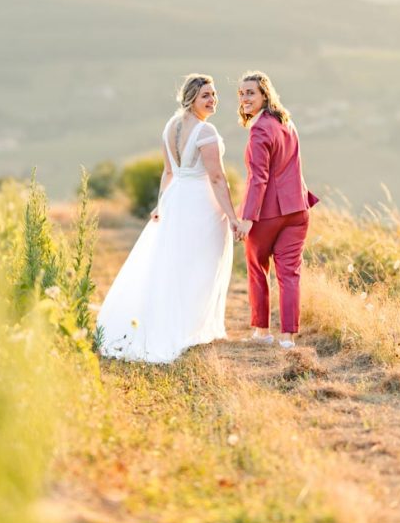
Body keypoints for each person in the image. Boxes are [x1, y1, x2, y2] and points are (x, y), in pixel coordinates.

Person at [97, 74, 240, 363]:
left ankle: (179, 324)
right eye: (206, 96)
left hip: (176, 201)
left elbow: (169, 173)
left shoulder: (169, 127)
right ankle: (189, 328)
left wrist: (161, 203)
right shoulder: (205, 131)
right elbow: (216, 177)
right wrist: (232, 216)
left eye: (214, 94)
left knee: (173, 262)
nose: (213, 100)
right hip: (201, 205)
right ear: (191, 99)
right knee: (201, 264)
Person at [237, 71, 319, 349]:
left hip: (268, 213)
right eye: (242, 93)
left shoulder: (260, 129)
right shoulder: (287, 123)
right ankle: (288, 338)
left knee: (257, 269)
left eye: (251, 93)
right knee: (289, 274)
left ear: (265, 95)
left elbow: (258, 178)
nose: (245, 98)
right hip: (298, 209)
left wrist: (247, 218)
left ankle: (262, 331)